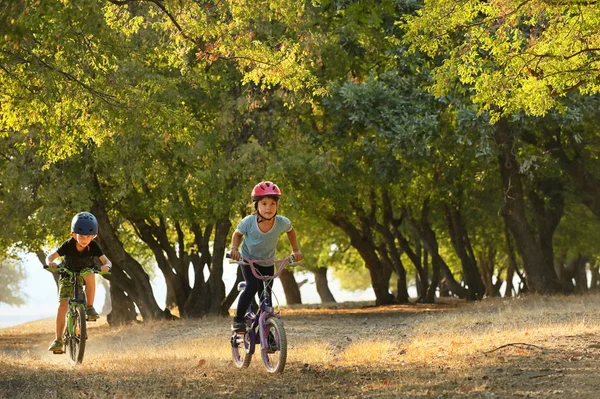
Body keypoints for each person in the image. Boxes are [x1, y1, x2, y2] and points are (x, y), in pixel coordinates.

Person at [229, 181, 303, 333]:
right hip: (248, 260)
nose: (268, 208)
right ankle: (238, 319)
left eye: (272, 203)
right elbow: (237, 234)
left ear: (277, 206)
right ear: (256, 205)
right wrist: (234, 249)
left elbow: (291, 231)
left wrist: (295, 250)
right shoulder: (249, 222)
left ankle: (267, 332)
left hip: (268, 262)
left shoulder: (282, 222)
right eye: (264, 203)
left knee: (266, 297)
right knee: (251, 287)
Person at [45, 212, 112, 352]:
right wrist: (50, 262)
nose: (84, 239)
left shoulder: (94, 246)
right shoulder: (68, 245)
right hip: (67, 274)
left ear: (94, 236)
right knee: (62, 306)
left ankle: (89, 307)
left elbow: (107, 261)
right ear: (74, 234)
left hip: (84, 274)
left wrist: (106, 266)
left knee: (90, 273)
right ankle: (58, 340)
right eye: (81, 236)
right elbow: (50, 256)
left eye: (88, 236)